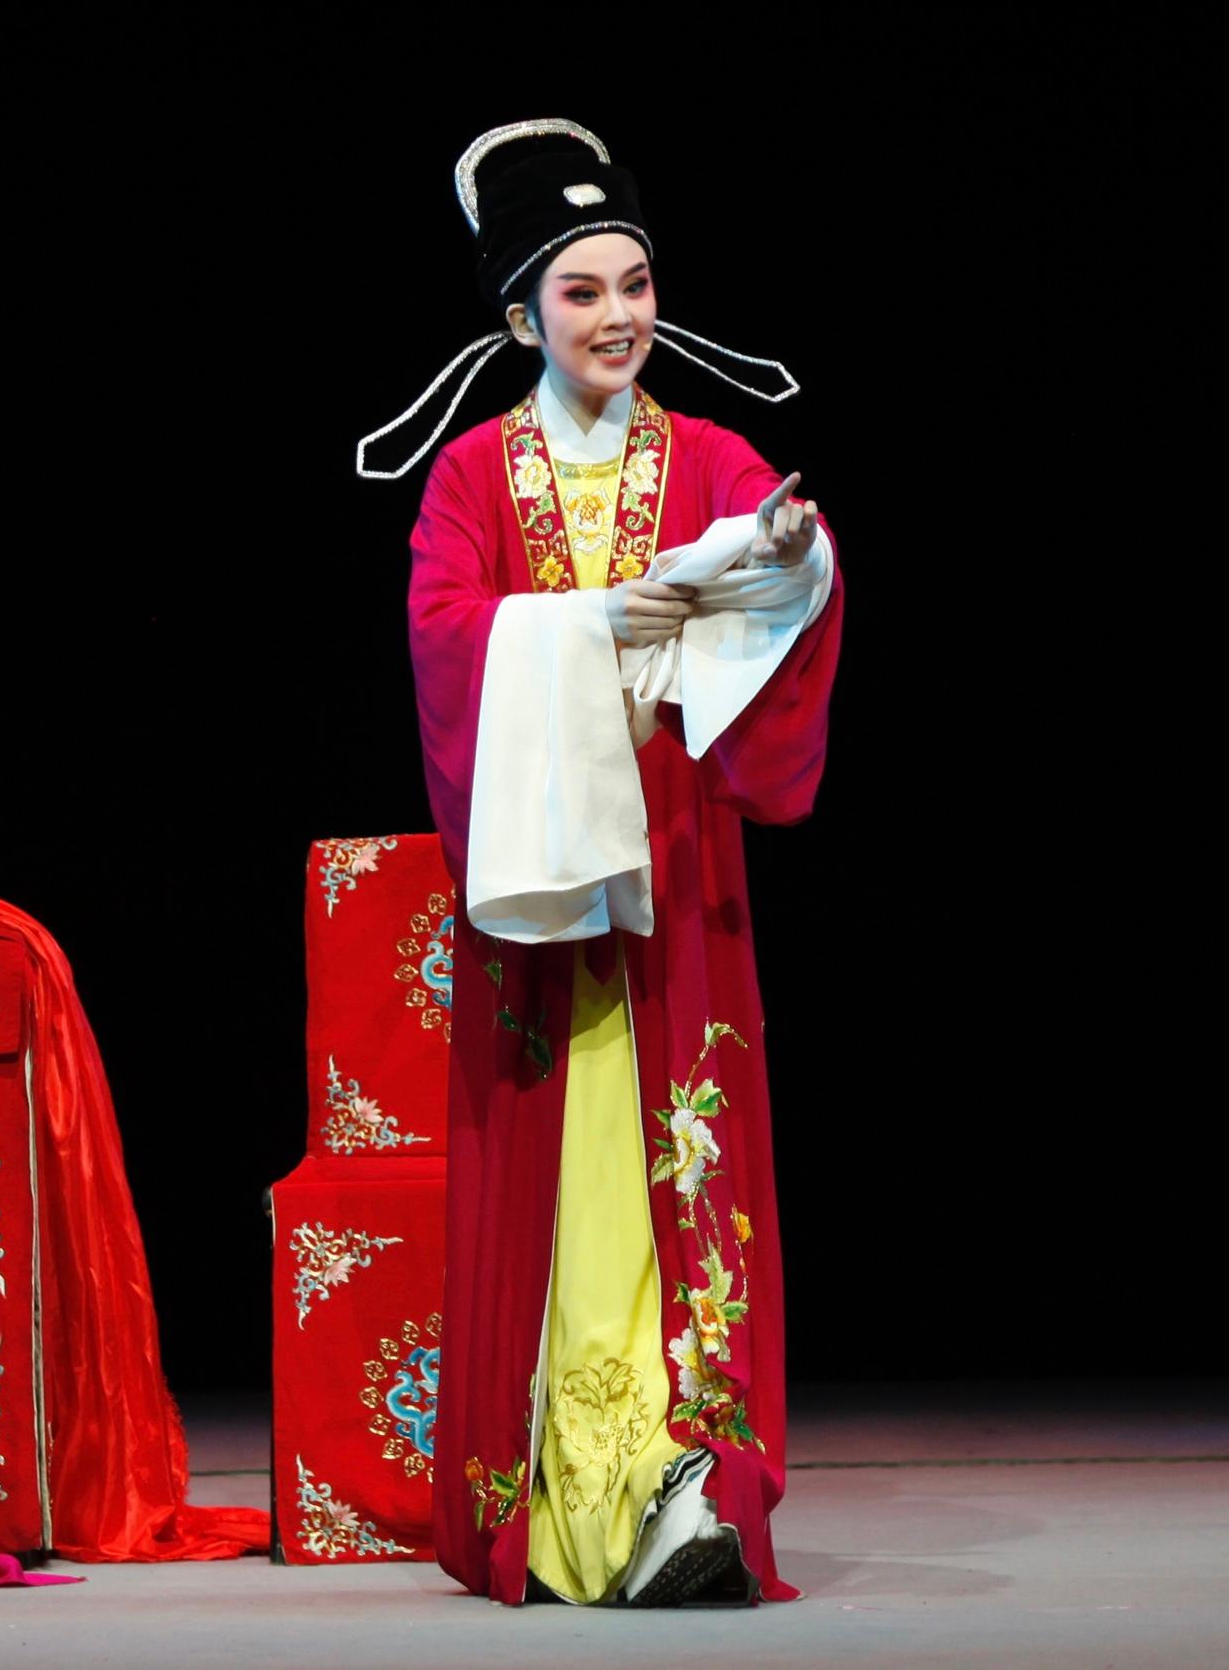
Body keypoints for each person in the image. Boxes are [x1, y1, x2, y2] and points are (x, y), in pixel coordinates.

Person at [390, 121, 840, 1607]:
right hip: (548, 892)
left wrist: (782, 556)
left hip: (676, 877)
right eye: (582, 291)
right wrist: (593, 625)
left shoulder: (706, 455)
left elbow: (782, 576)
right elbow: (448, 641)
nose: (618, 315)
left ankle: (688, 1480)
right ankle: (568, 1498)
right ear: (523, 314)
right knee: (568, 1176)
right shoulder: (471, 476)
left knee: (683, 1161)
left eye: (636, 281)